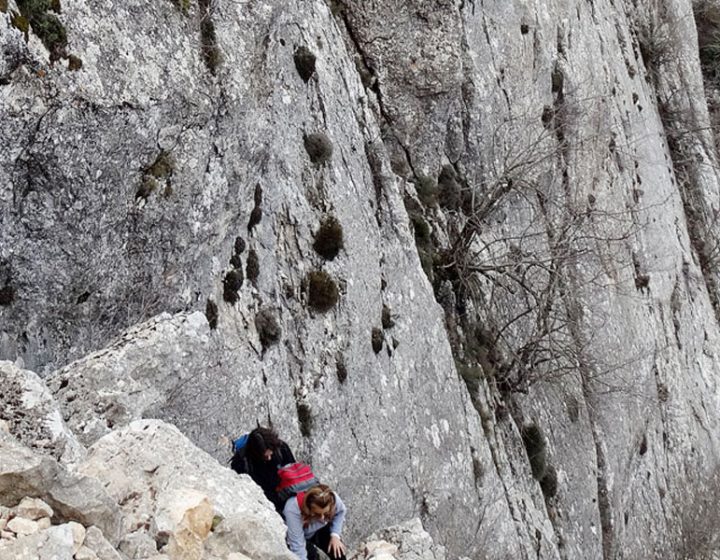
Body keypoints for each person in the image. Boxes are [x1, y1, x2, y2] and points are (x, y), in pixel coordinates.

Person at [230, 426, 295, 512]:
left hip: (288, 498)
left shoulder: (281, 449)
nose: (269, 458)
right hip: (266, 506)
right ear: (255, 453)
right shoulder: (241, 463)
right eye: (265, 456)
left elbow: (295, 474)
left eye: (271, 454)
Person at [283, 483, 347, 560]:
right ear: (308, 508)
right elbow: (297, 545)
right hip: (301, 534)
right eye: (317, 514)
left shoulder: (330, 498)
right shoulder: (292, 510)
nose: (322, 517)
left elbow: (340, 512)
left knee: (338, 552)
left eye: (326, 513)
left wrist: (335, 535)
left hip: (319, 529)